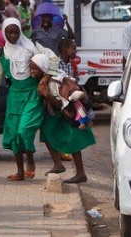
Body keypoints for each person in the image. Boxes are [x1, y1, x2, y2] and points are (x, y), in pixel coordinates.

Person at [0, 18, 54, 182]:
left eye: (16, 32)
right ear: (4, 33)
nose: (13, 35)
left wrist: (45, 80)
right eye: (10, 32)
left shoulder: (32, 48)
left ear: (20, 32)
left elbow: (52, 60)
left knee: (24, 129)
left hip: (32, 94)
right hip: (14, 97)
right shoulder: (1, 54)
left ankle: (30, 161)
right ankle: (20, 171)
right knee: (14, 133)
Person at [31, 53, 96, 184]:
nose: (31, 71)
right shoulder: (49, 77)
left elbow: (60, 104)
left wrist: (46, 94)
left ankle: (80, 173)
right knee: (45, 132)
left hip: (65, 114)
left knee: (73, 140)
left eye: (34, 69)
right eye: (30, 68)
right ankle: (58, 164)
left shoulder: (52, 82)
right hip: (59, 114)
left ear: (43, 68)